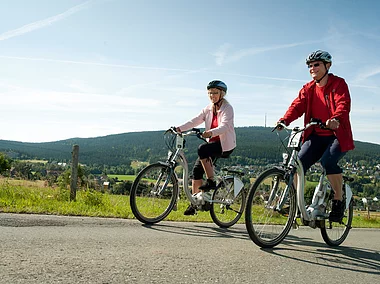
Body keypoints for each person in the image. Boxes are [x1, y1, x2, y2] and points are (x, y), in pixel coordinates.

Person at [277, 50, 354, 222]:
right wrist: (284, 120)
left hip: (336, 135)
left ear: (328, 66)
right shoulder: (308, 88)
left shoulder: (338, 84)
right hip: (316, 135)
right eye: (310, 66)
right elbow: (297, 106)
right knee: (298, 166)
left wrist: (335, 118)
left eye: (316, 64)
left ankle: (338, 199)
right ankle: (298, 204)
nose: (312, 68)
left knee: (328, 162)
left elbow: (343, 103)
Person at [176, 80, 236, 215]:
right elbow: (195, 120)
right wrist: (179, 128)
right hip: (212, 143)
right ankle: (195, 203)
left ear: (222, 93)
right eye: (210, 93)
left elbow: (225, 126)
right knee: (196, 171)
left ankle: (211, 181)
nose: (212, 95)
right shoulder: (208, 108)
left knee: (202, 149)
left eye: (215, 93)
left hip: (224, 144)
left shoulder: (227, 108)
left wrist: (211, 132)